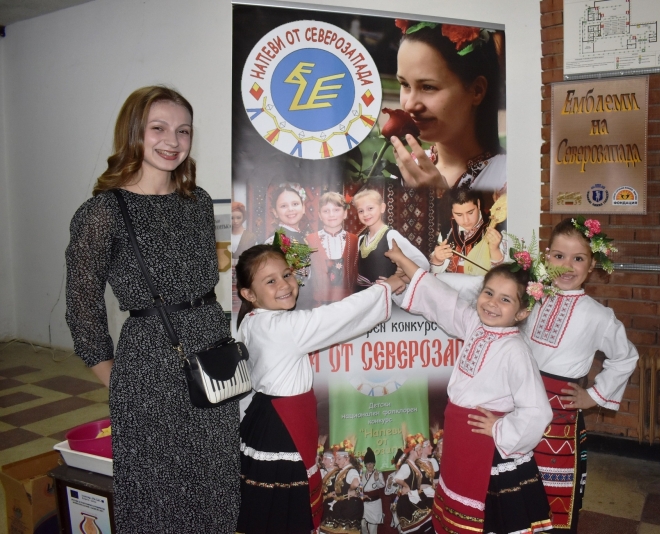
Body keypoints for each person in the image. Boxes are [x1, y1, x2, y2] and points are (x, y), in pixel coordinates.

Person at [65, 86, 240, 533]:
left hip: (211, 359)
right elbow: (82, 307)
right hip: (149, 364)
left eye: (183, 131)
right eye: (158, 128)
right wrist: (119, 380)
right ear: (133, 133)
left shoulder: (198, 202)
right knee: (157, 493)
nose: (172, 141)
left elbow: (203, 283)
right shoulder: (103, 212)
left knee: (215, 482)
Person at [437, 217, 639, 533]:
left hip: (557, 424)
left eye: (578, 258)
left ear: (592, 265)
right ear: (546, 257)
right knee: (511, 501)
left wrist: (593, 396)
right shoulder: (531, 297)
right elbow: (483, 291)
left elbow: (625, 356)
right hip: (513, 412)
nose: (567, 266)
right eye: (559, 256)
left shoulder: (599, 316)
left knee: (554, 498)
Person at [235, 238, 405, 534]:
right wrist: (387, 286)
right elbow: (339, 316)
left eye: (286, 274)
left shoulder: (252, 320)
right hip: (282, 426)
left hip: (269, 420)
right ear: (249, 293)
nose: (284, 285)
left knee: (270, 508)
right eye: (270, 281)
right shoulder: (282, 327)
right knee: (285, 509)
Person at [385, 246, 554, 534]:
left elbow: (538, 410)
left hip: (485, 446)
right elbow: (442, 298)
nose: (492, 303)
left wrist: (500, 428)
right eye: (488, 293)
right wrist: (405, 264)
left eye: (505, 299)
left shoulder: (515, 350)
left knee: (486, 518)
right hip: (460, 437)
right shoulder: (476, 325)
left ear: (522, 311)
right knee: (456, 505)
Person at [390, 20, 505, 194]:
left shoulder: (508, 178)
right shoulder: (409, 170)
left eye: (428, 87)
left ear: (477, 91)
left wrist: (440, 202)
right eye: (405, 84)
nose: (410, 104)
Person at [352, 188, 429, 291]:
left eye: (370, 208)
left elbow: (423, 264)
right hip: (363, 294)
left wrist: (401, 279)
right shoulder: (361, 239)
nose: (365, 214)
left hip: (384, 294)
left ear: (382, 208)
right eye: (361, 211)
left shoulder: (391, 235)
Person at [430, 187, 503, 275]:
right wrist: (437, 259)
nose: (466, 220)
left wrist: (495, 249)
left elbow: (502, 273)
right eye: (459, 215)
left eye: (470, 212)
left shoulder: (495, 227)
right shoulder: (447, 229)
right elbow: (434, 272)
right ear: (452, 211)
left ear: (478, 204)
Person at [306, 191, 359, 305]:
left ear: (345, 213)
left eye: (336, 210)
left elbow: (357, 271)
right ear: (320, 215)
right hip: (319, 302)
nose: (331, 214)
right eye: (326, 211)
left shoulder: (354, 240)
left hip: (348, 301)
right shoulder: (309, 240)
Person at [392, 436, 434, 534]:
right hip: (408, 502)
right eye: (419, 449)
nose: (421, 451)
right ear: (412, 451)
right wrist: (406, 486)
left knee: (429, 523)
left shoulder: (414, 464)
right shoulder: (406, 466)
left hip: (415, 497)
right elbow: (397, 479)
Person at [320, 447, 365, 534]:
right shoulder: (343, 471)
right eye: (336, 459)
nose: (336, 462)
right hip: (343, 505)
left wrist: (351, 489)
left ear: (347, 459)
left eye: (339, 459)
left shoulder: (351, 470)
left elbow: (356, 483)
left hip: (350, 506)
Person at [359, 447, 386, 534]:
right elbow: (359, 489)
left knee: (372, 528)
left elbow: (382, 485)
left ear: (374, 464)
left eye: (371, 463)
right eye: (368, 463)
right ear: (365, 465)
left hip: (374, 504)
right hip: (364, 504)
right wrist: (361, 495)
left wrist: (377, 479)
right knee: (362, 524)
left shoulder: (378, 473)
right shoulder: (362, 475)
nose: (370, 465)